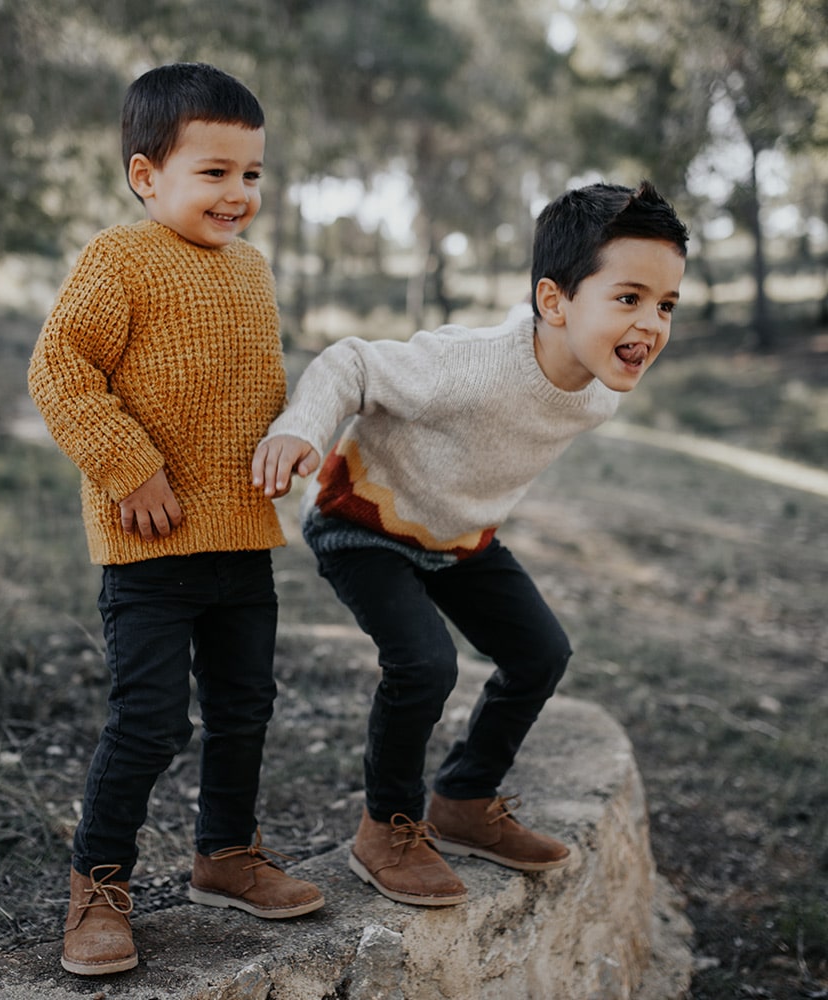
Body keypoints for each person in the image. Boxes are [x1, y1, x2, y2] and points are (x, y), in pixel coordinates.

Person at [252, 181, 689, 907]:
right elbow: (352, 363)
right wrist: (301, 426)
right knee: (424, 663)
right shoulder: (475, 363)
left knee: (541, 653)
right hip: (363, 521)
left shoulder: (603, 390)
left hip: (456, 535)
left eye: (666, 305)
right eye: (629, 298)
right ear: (554, 302)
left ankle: (461, 802)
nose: (651, 323)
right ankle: (387, 828)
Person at [29, 62, 324, 977]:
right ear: (146, 174)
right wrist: (128, 464)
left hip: (242, 539)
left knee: (245, 709)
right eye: (215, 172)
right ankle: (100, 881)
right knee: (151, 719)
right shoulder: (119, 259)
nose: (239, 194)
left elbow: (256, 389)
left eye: (253, 174)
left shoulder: (255, 269)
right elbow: (58, 370)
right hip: (149, 545)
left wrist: (289, 436)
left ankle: (225, 854)